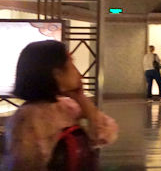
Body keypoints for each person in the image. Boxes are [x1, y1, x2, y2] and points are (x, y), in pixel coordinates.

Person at [2, 40, 118, 170]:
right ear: (57, 74)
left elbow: (105, 134)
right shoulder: (28, 118)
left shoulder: (66, 106)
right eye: (71, 64)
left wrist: (80, 97)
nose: (78, 73)